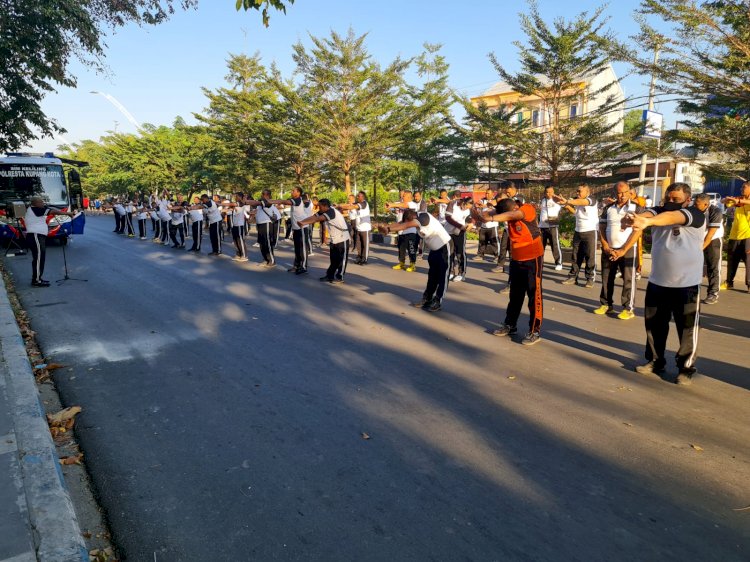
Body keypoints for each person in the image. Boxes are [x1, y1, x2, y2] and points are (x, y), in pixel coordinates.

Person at [622, 183, 706, 386]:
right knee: (654, 326)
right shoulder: (656, 211)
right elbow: (649, 215)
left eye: (676, 199)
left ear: (687, 199)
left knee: (686, 329)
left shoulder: (695, 214)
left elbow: (673, 218)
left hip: (687, 284)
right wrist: (636, 219)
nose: (670, 202)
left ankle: (685, 368)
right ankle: (655, 360)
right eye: (668, 198)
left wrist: (647, 221)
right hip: (658, 281)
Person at [472, 197, 545, 345]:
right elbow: (491, 214)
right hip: (517, 259)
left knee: (534, 294)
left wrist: (491, 218)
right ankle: (510, 325)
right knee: (515, 294)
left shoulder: (526, 209)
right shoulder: (505, 210)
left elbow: (512, 215)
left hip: (533, 258)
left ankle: (534, 331)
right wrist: (480, 215)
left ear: (514, 207)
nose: (505, 217)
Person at [380, 209, 451, 311]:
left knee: (442, 276)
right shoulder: (414, 219)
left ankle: (438, 301)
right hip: (434, 249)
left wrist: (389, 230)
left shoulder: (423, 217)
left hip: (445, 247)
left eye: (411, 222)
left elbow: (405, 225)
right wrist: (386, 227)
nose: (411, 224)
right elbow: (402, 223)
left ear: (414, 217)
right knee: (432, 276)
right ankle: (427, 298)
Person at [594, 181, 643, 319]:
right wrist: (605, 245)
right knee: (606, 278)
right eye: (619, 193)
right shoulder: (608, 208)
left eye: (624, 192)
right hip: (609, 249)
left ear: (629, 192)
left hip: (628, 250)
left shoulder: (636, 208)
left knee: (628, 279)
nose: (621, 195)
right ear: (615, 193)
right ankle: (606, 304)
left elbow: (638, 231)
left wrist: (623, 249)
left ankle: (628, 308)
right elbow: (602, 228)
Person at [24, 197, 76, 287]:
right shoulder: (34, 209)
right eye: (41, 202)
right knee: (38, 259)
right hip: (36, 236)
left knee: (40, 258)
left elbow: (50, 210)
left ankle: (38, 278)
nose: (43, 203)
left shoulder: (35, 209)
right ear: (35, 203)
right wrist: (68, 213)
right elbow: (52, 211)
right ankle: (36, 281)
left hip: (37, 236)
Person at [298, 199, 350, 283]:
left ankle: (340, 277)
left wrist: (304, 223)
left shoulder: (331, 212)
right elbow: (314, 217)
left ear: (325, 206)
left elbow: (318, 219)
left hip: (342, 238)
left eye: (320, 206)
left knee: (341, 260)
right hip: (334, 239)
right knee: (333, 260)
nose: (318, 208)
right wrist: (302, 221)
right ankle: (330, 276)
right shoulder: (324, 211)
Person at [557, 184, 598, 287]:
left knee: (590, 256)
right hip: (578, 231)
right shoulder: (577, 200)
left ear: (587, 192)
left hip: (590, 231)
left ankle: (590, 278)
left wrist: (568, 201)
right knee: (575, 256)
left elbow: (583, 202)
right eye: (577, 191)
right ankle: (573, 277)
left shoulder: (591, 199)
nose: (577, 193)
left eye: (580, 191)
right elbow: (576, 213)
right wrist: (566, 205)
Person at [270, 188, 310, 274]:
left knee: (302, 248)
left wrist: (273, 201)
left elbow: (286, 202)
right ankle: (296, 266)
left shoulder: (298, 200)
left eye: (293, 191)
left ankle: (303, 267)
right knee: (297, 249)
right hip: (296, 228)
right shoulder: (296, 200)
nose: (291, 192)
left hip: (302, 227)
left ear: (298, 193)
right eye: (291, 190)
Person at [693, 193, 724, 304]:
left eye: (697, 204)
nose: (694, 206)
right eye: (694, 203)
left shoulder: (716, 212)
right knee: (694, 266)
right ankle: (691, 292)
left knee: (713, 266)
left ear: (706, 204)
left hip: (713, 240)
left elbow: (710, 235)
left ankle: (713, 293)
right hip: (698, 238)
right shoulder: (693, 209)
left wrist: (698, 249)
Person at [722, 181, 750, 292]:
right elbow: (724, 202)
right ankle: (729, 283)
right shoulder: (739, 199)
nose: (742, 188)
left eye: (745, 187)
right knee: (732, 260)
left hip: (748, 236)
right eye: (742, 187)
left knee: (748, 261)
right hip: (734, 235)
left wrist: (737, 201)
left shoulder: (743, 201)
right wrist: (727, 199)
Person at [386, 191, 419, 271]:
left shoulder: (413, 204)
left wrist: (393, 205)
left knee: (411, 248)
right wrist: (389, 207)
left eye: (404, 196)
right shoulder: (399, 203)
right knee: (401, 248)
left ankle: (412, 264)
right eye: (402, 196)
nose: (402, 197)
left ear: (409, 197)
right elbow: (390, 209)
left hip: (411, 230)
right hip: (401, 229)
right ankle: (401, 263)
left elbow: (405, 205)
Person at [445, 195, 472, 282]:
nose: (466, 209)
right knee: (450, 252)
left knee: (460, 252)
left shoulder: (469, 208)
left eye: (468, 208)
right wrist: (460, 226)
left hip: (460, 232)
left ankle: (461, 273)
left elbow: (472, 218)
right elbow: (448, 218)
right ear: (464, 202)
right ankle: (451, 271)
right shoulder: (452, 204)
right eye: (465, 207)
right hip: (449, 231)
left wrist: (470, 224)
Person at [538, 185, 563, 270]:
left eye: (550, 192)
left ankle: (558, 263)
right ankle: (540, 262)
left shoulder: (557, 200)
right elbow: (541, 212)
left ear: (553, 192)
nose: (548, 194)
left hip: (553, 226)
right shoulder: (543, 200)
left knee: (555, 244)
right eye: (547, 192)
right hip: (542, 226)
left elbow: (565, 206)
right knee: (541, 245)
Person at [249, 190, 277, 267]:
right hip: (260, 224)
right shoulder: (260, 203)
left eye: (263, 194)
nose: (262, 195)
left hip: (266, 223)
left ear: (268, 195)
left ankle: (271, 260)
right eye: (262, 194)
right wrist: (252, 214)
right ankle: (265, 259)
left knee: (267, 243)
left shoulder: (269, 202)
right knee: (262, 243)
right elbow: (256, 211)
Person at [474, 191, 501, 263]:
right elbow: (477, 206)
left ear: (492, 194)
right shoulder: (482, 200)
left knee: (494, 241)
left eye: (488, 193)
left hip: (493, 224)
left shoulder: (495, 201)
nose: (486, 194)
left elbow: (494, 207)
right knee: (482, 241)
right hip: (483, 225)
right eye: (486, 193)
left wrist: (484, 205)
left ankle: (497, 256)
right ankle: (480, 255)